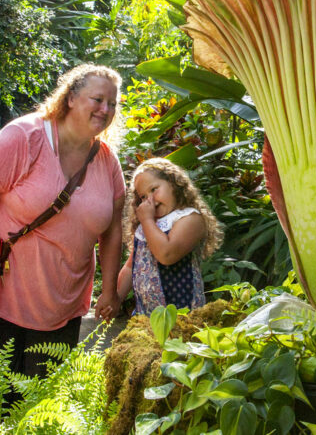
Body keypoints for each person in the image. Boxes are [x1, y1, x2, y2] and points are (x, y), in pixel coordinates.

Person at [0, 64, 125, 384]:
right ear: (70, 98)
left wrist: (109, 289)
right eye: (97, 99)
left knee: (38, 404)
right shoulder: (23, 138)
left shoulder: (107, 161)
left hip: (65, 306)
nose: (105, 109)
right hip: (7, 293)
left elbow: (111, 231)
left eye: (112, 103)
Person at [116, 158, 222, 316]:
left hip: (181, 316)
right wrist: (116, 299)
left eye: (153, 190)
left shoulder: (190, 218)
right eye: (143, 197)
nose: (149, 200)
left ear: (174, 184)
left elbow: (166, 254)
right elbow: (130, 267)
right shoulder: (147, 226)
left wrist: (147, 220)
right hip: (145, 317)